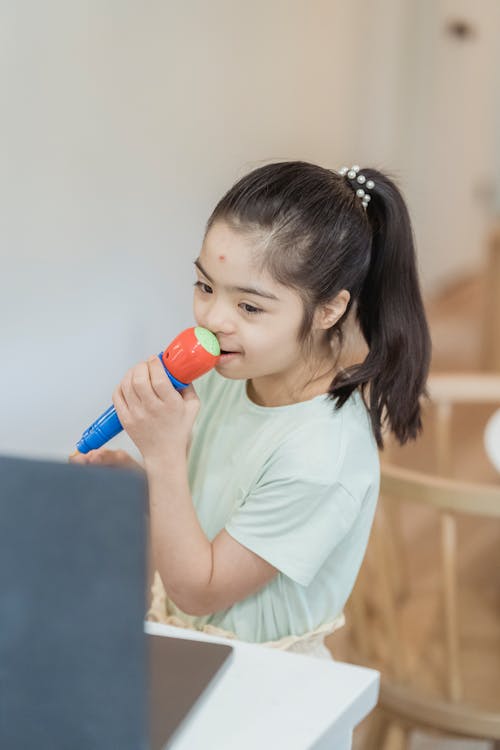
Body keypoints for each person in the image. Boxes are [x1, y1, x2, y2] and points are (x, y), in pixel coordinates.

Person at [69, 161, 431, 659]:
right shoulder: (232, 376)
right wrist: (145, 481)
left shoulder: (322, 456)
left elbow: (199, 589)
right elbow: (198, 517)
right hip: (188, 651)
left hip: (262, 681)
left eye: (250, 307)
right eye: (205, 286)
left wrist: (164, 458)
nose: (214, 320)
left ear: (329, 309)